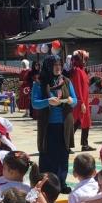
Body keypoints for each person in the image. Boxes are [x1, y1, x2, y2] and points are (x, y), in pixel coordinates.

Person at [32, 55, 77, 193]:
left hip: (64, 125)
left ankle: (61, 183)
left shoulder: (66, 81)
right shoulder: (39, 83)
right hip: (48, 126)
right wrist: (48, 101)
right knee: (47, 155)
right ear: (48, 66)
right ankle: (46, 184)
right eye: (55, 65)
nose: (58, 67)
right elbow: (35, 103)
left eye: (60, 65)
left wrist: (70, 100)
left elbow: (75, 100)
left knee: (63, 155)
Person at [70, 50, 94, 151]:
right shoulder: (77, 71)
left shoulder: (82, 70)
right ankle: (67, 144)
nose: (85, 61)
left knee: (86, 122)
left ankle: (85, 144)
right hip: (80, 101)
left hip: (84, 99)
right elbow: (77, 87)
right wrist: (81, 102)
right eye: (84, 59)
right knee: (76, 122)